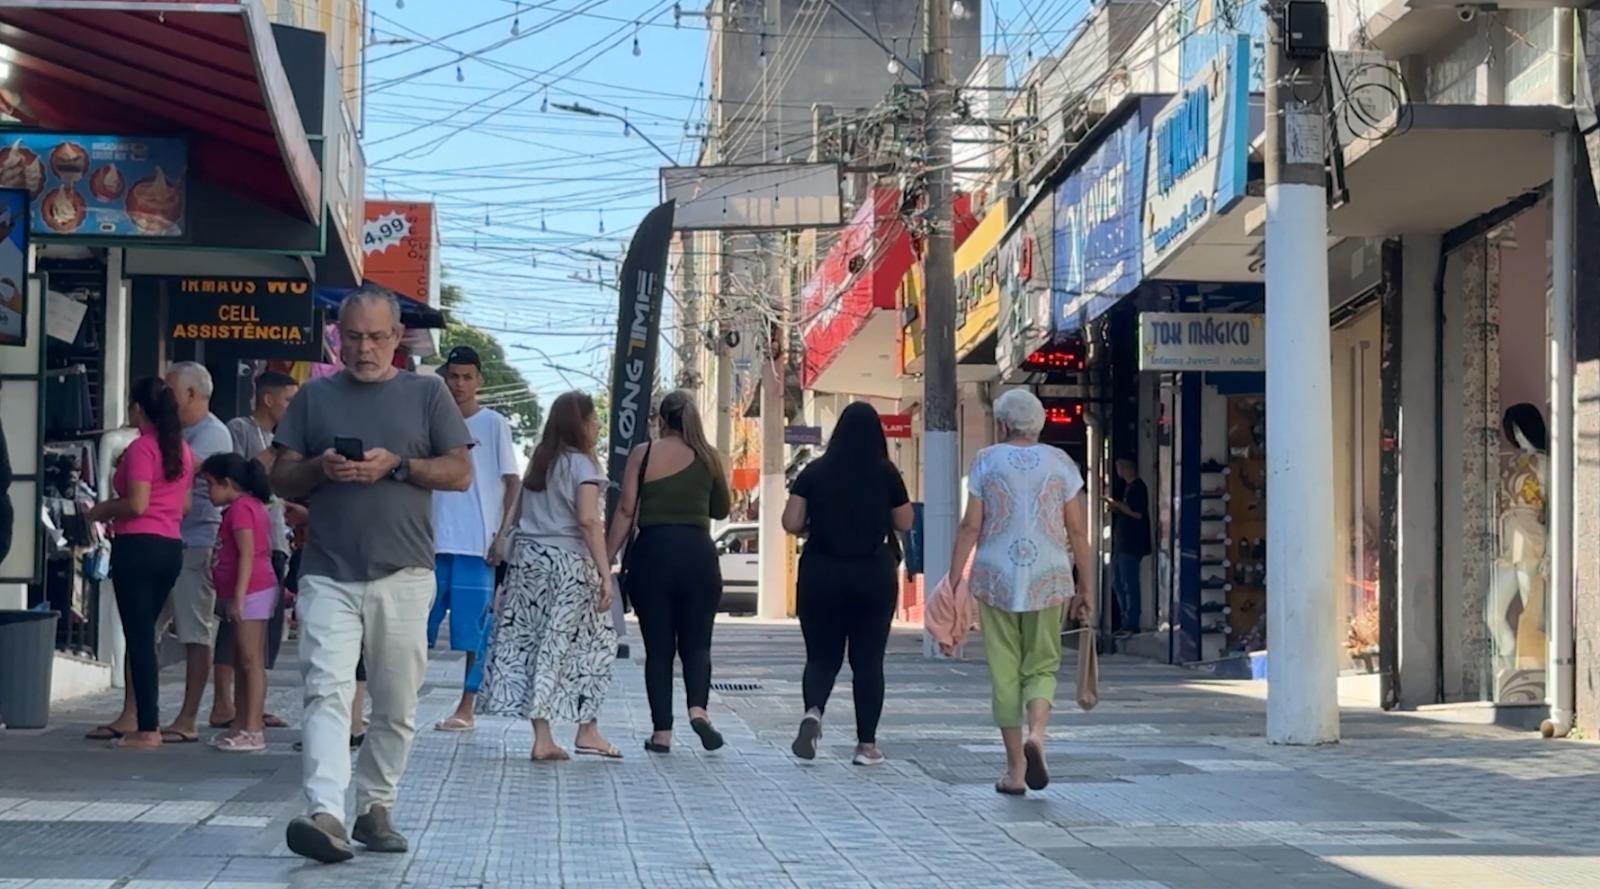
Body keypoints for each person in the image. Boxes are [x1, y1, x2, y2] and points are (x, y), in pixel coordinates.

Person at [271, 285, 472, 864]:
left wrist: (398, 465)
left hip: (404, 571)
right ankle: (325, 811)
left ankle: (376, 805)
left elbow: (459, 472)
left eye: (377, 337)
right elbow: (281, 478)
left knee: (396, 700)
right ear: (338, 335)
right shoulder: (314, 397)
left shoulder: (427, 393)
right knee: (326, 690)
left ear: (397, 336)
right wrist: (320, 467)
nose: (365, 349)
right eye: (354, 337)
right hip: (327, 571)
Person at [948, 389, 1093, 797]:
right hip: (1049, 577)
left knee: (1005, 671)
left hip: (996, 577)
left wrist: (953, 580)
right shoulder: (1061, 463)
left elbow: (970, 526)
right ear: (1039, 424)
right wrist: (1087, 588)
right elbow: (1077, 531)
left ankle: (1015, 771)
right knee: (1043, 665)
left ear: (1002, 424)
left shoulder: (985, 460)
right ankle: (1038, 736)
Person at [479, 391, 619, 760]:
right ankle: (587, 730)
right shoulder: (583, 466)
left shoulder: (540, 463)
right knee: (595, 645)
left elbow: (516, 513)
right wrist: (605, 572)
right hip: (568, 565)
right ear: (580, 424)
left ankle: (543, 737)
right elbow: (587, 520)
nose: (598, 424)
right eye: (593, 418)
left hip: (528, 563)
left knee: (536, 644)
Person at [781, 402, 912, 767]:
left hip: (821, 572)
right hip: (873, 575)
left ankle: (813, 712)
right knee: (868, 662)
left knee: (821, 657)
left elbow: (791, 522)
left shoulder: (814, 471)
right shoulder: (886, 473)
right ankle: (866, 746)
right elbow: (905, 521)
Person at [606, 389, 731, 754]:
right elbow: (721, 510)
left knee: (658, 649)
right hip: (698, 555)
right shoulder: (709, 456)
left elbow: (626, 510)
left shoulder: (643, 454)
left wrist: (605, 557)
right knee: (698, 643)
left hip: (654, 555)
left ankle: (662, 733)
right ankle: (698, 710)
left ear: (660, 419)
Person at [83, 377, 193, 749]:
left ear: (138, 409)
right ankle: (142, 719)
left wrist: (103, 509)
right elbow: (185, 505)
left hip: (137, 545)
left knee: (140, 636)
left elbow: (137, 503)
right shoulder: (181, 450)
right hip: (170, 545)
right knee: (145, 634)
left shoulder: (142, 449)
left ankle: (148, 726)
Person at [427, 345, 520, 733]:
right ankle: (393, 705)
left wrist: (503, 535)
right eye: (453, 376)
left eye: (467, 377)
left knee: (474, 635)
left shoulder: (493, 424)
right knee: (413, 631)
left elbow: (513, 482)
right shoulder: (430, 420)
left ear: (479, 381)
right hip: (430, 545)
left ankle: (466, 708)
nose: (460, 384)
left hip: (476, 547)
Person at [153, 361, 235, 745]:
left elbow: (182, 469)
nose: (164, 399)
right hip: (165, 538)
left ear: (190, 394)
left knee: (195, 632)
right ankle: (138, 712)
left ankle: (188, 717)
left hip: (197, 542)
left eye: (170, 391)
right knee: (146, 628)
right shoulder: (171, 431)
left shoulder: (213, 434)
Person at [214, 370, 300, 731]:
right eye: (288, 400)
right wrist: (276, 449)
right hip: (242, 542)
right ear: (268, 399)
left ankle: (251, 705)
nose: (292, 408)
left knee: (265, 631)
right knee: (233, 630)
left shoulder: (289, 441)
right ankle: (224, 703)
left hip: (275, 539)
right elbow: (239, 473)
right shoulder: (241, 430)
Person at [200, 452, 278, 753]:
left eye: (210, 485)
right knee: (244, 660)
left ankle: (253, 728)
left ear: (227, 483)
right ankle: (242, 723)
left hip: (253, 591)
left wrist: (239, 596)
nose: (208, 492)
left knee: (250, 660)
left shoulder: (242, 509)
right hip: (249, 591)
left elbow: (248, 553)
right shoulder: (244, 507)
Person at [1106, 457, 1150, 634]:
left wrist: (1117, 504)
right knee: (1117, 582)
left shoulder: (1138, 487)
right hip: (1121, 543)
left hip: (1131, 544)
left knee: (1129, 583)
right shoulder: (1129, 487)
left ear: (1125, 468)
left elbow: (1137, 513)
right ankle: (1125, 619)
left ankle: (1132, 622)